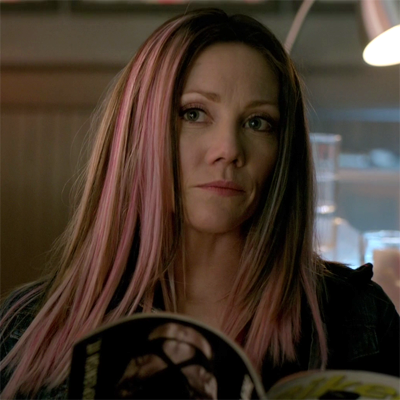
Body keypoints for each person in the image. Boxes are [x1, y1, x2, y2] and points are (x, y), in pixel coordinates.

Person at [0, 7, 399, 400]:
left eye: (257, 122)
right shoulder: (25, 330)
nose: (228, 149)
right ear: (139, 133)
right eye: (193, 114)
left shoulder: (360, 318)